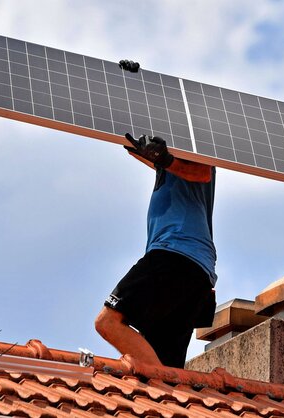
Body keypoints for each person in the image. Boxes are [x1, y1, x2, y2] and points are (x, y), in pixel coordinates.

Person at [95, 133, 217, 368]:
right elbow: (153, 158)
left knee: (108, 321)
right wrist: (145, 152)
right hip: (194, 271)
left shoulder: (195, 145)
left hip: (176, 254)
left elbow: (202, 172)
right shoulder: (170, 166)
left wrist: (165, 160)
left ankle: (163, 384)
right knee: (163, 363)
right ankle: (169, 398)